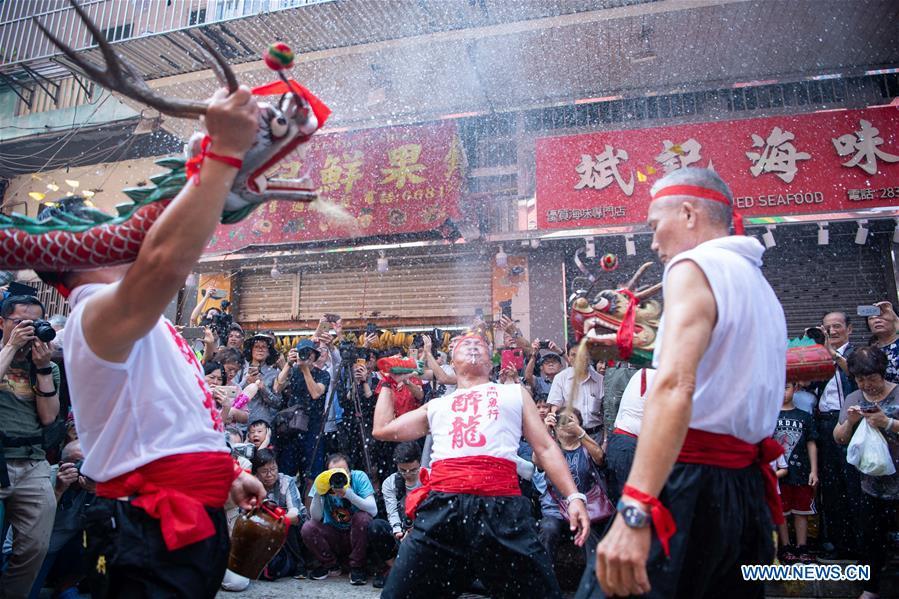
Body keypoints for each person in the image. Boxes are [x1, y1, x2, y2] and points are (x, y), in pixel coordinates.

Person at [46, 86, 265, 597]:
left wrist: (226, 474)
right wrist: (222, 157)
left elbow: (170, 417)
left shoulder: (144, 317)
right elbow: (167, 259)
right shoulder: (94, 314)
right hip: (148, 525)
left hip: (188, 515)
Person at [588, 167, 787, 598]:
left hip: (688, 484)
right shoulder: (759, 285)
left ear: (689, 213)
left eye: (656, 226)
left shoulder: (693, 265)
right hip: (742, 491)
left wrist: (636, 507)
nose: (655, 243)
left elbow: (676, 385)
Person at [373, 332, 589, 599]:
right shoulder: (438, 405)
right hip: (442, 508)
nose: (474, 345)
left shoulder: (514, 393)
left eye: (480, 345)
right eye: (466, 344)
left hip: (501, 507)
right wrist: (386, 382)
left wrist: (574, 496)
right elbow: (382, 429)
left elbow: (545, 447)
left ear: (491, 362)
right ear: (452, 361)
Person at [0, 295, 60, 598]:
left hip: (32, 463)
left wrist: (43, 367)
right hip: (1, 458)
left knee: (35, 546)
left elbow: (49, 417)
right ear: (2, 323)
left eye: (35, 323)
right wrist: (10, 347)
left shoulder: (45, 365)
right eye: (20, 322)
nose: (28, 329)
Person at [833, 346, 899, 599]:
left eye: (871, 378)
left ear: (882, 373)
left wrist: (888, 423)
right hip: (869, 484)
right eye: (861, 379)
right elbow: (838, 438)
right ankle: (871, 589)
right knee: (871, 538)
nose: (867, 384)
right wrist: (850, 421)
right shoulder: (853, 399)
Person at [538, 408, 609, 567]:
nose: (565, 423)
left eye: (570, 419)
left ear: (580, 425)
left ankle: (593, 583)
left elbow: (600, 457)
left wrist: (579, 432)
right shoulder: (550, 449)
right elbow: (537, 460)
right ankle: (545, 580)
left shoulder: (586, 447)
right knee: (548, 528)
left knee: (589, 532)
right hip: (555, 510)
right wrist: (545, 429)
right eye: (561, 419)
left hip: (587, 510)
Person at [816, 310, 860, 560]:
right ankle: (835, 542)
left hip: (850, 420)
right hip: (824, 423)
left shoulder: (857, 355)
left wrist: (834, 357)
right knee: (830, 485)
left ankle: (858, 544)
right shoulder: (819, 354)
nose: (832, 331)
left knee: (852, 482)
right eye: (827, 327)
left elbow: (858, 375)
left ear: (849, 329)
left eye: (837, 326)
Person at [28, 441, 95, 599]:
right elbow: (32, 524)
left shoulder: (97, 481)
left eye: (87, 462)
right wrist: (58, 490)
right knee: (26, 593)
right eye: (76, 462)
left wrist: (97, 492)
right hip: (39, 548)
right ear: (61, 464)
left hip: (71, 546)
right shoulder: (44, 478)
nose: (81, 468)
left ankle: (67, 585)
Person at [301, 452, 377, 585]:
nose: (339, 477)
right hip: (334, 534)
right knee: (308, 527)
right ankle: (331, 565)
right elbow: (315, 517)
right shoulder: (323, 481)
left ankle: (357, 567)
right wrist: (319, 493)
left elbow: (373, 510)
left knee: (363, 518)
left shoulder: (358, 477)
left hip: (357, 534)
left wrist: (349, 494)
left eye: (343, 472)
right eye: (334, 473)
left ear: (350, 471)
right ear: (327, 474)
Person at [774, 382, 819, 564]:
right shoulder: (769, 417)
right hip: (777, 474)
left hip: (801, 470)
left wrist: (814, 471)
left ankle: (802, 546)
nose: (783, 392)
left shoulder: (805, 416)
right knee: (781, 511)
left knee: (802, 511)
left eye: (786, 387)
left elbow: (811, 442)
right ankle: (786, 547)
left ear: (796, 388)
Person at [367, 441, 422, 589]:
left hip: (424, 532)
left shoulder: (430, 477)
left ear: (420, 463)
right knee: (375, 526)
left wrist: (417, 530)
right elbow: (392, 512)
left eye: (413, 470)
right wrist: (398, 531)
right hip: (401, 532)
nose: (408, 474)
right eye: (403, 470)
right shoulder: (390, 483)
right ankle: (394, 567)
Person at [274, 339, 329, 481]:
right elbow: (277, 388)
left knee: (312, 474)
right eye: (303, 353)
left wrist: (305, 370)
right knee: (287, 474)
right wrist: (288, 363)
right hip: (292, 428)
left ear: (315, 356)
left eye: (310, 354)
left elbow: (316, 393)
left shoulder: (323, 375)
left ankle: (309, 503)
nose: (306, 356)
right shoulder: (292, 371)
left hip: (313, 428)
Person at [251, 449, 308, 580]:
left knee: (287, 523)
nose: (270, 474)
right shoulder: (251, 484)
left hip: (291, 526)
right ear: (257, 473)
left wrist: (276, 520)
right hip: (263, 529)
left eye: (273, 469)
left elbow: (295, 512)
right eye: (264, 471)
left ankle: (300, 564)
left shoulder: (286, 481)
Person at [605, 369, 655, 504]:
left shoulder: (643, 373)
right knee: (630, 503)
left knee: (623, 502)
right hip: (628, 445)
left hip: (620, 442)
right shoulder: (654, 375)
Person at [547, 345, 604, 445]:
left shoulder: (600, 380)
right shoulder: (560, 378)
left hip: (596, 436)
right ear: (568, 357)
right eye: (573, 355)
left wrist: (605, 441)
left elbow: (606, 413)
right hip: (570, 436)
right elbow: (555, 408)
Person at [239, 333, 281, 424]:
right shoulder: (240, 370)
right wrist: (245, 381)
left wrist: (262, 388)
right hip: (240, 423)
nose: (260, 349)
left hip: (262, 424)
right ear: (251, 350)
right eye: (256, 346)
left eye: (264, 347)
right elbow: (232, 393)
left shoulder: (274, 374)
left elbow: (277, 403)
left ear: (269, 352)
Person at [866, 302, 899, 383]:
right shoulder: (871, 350)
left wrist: (895, 318)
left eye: (882, 316)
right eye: (871, 318)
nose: (877, 320)